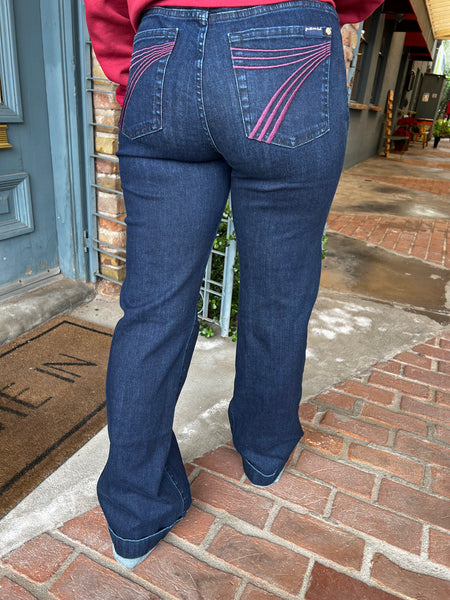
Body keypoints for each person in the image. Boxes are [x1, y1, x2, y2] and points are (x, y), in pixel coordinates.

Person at [84, 0, 384, 568]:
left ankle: (133, 513)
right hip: (286, 47)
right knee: (279, 294)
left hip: (161, 54)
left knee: (152, 309)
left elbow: (104, 9)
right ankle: (264, 452)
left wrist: (138, 68)